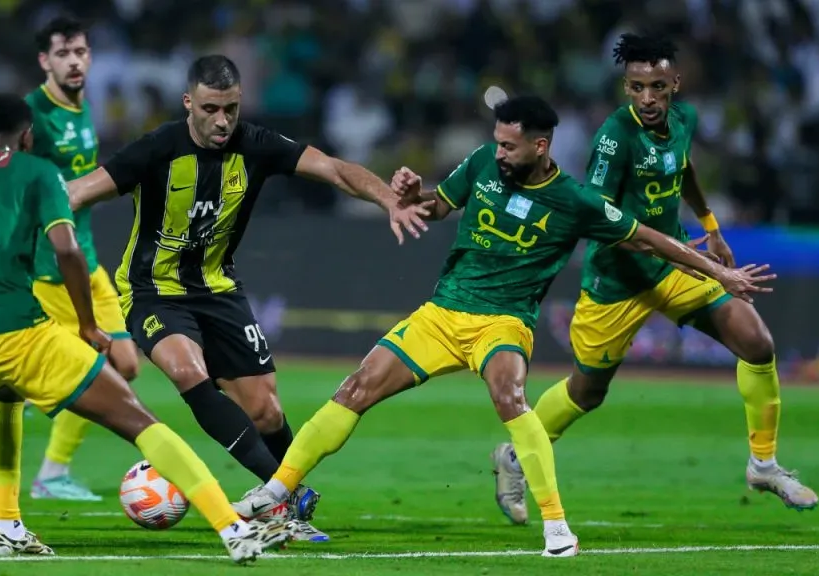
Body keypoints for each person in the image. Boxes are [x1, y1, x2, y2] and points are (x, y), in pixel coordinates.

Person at [229, 95, 775, 557]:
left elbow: (651, 237)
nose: (499, 151)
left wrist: (719, 271)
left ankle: (557, 527)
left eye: (510, 144)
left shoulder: (576, 201)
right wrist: (409, 189)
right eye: (497, 141)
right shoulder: (483, 164)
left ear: (541, 146)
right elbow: (436, 207)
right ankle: (277, 490)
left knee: (511, 398)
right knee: (355, 388)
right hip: (443, 313)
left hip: (505, 322)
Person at [0, 94, 293, 563]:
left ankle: (7, 526)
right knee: (141, 420)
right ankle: (234, 529)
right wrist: (89, 326)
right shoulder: (36, 172)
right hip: (11, 330)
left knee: (6, 396)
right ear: (28, 137)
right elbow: (67, 249)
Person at [66, 54, 431, 542]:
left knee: (266, 412)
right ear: (188, 103)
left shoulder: (256, 144)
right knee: (187, 369)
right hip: (154, 293)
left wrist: (388, 197)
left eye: (231, 109)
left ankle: (284, 506)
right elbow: (78, 193)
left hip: (219, 291)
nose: (222, 121)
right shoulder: (156, 149)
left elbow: (334, 170)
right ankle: (284, 498)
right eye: (212, 109)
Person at [492, 34, 818, 525]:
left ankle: (764, 465)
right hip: (617, 281)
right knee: (587, 393)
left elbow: (683, 169)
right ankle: (514, 457)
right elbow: (600, 220)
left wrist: (711, 228)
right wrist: (700, 259)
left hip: (674, 264)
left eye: (658, 86)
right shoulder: (613, 138)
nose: (647, 98)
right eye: (637, 87)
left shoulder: (683, 120)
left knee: (756, 341)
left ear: (674, 85)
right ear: (626, 87)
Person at [23, 15, 137, 502]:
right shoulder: (32, 114)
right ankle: (51, 470)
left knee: (125, 363)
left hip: (88, 261)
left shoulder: (82, 106)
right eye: (64, 54)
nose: (75, 62)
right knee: (96, 366)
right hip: (54, 267)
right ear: (44, 61)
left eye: (81, 52)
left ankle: (37, 402)